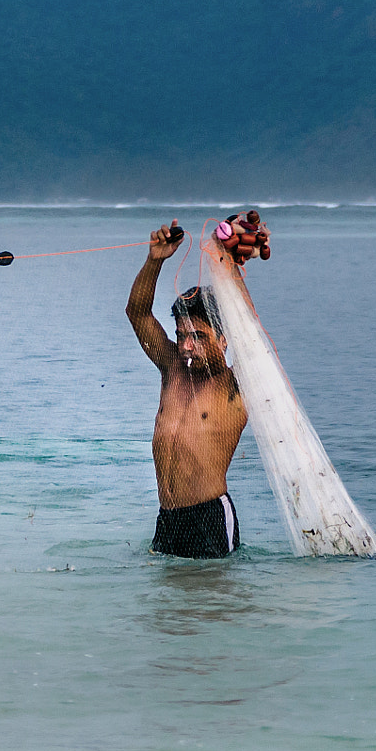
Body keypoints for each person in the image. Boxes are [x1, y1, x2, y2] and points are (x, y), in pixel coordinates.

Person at [125, 219, 253, 558]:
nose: (186, 347)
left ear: (225, 341)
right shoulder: (172, 368)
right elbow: (137, 314)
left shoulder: (236, 385)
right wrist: (155, 260)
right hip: (168, 520)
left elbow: (251, 332)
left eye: (198, 337)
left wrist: (231, 265)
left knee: (212, 607)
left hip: (209, 517)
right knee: (166, 610)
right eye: (181, 336)